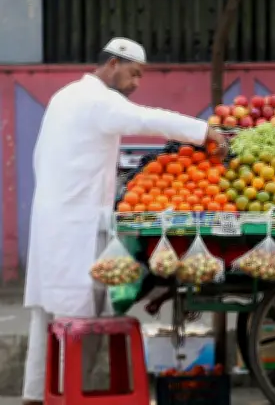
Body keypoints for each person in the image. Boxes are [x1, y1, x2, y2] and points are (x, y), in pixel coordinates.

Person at [21, 37, 228, 405]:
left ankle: (36, 395)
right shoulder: (99, 100)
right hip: (76, 224)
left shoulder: (65, 96)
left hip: (53, 217)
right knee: (79, 316)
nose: (136, 83)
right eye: (133, 74)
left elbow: (45, 157)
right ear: (113, 64)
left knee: (48, 320)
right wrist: (203, 131)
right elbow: (147, 119)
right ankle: (72, 396)